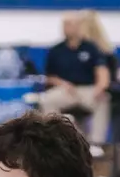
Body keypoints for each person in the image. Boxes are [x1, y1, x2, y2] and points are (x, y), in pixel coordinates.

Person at [37, 13, 110, 142]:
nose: (66, 28)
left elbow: (102, 72)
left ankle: (97, 144)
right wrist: (62, 83)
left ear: (79, 26)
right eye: (64, 24)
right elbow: (48, 77)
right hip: (65, 90)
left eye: (70, 24)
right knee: (46, 100)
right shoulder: (56, 50)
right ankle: (57, 140)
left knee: (103, 100)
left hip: (87, 90)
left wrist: (100, 88)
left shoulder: (91, 48)